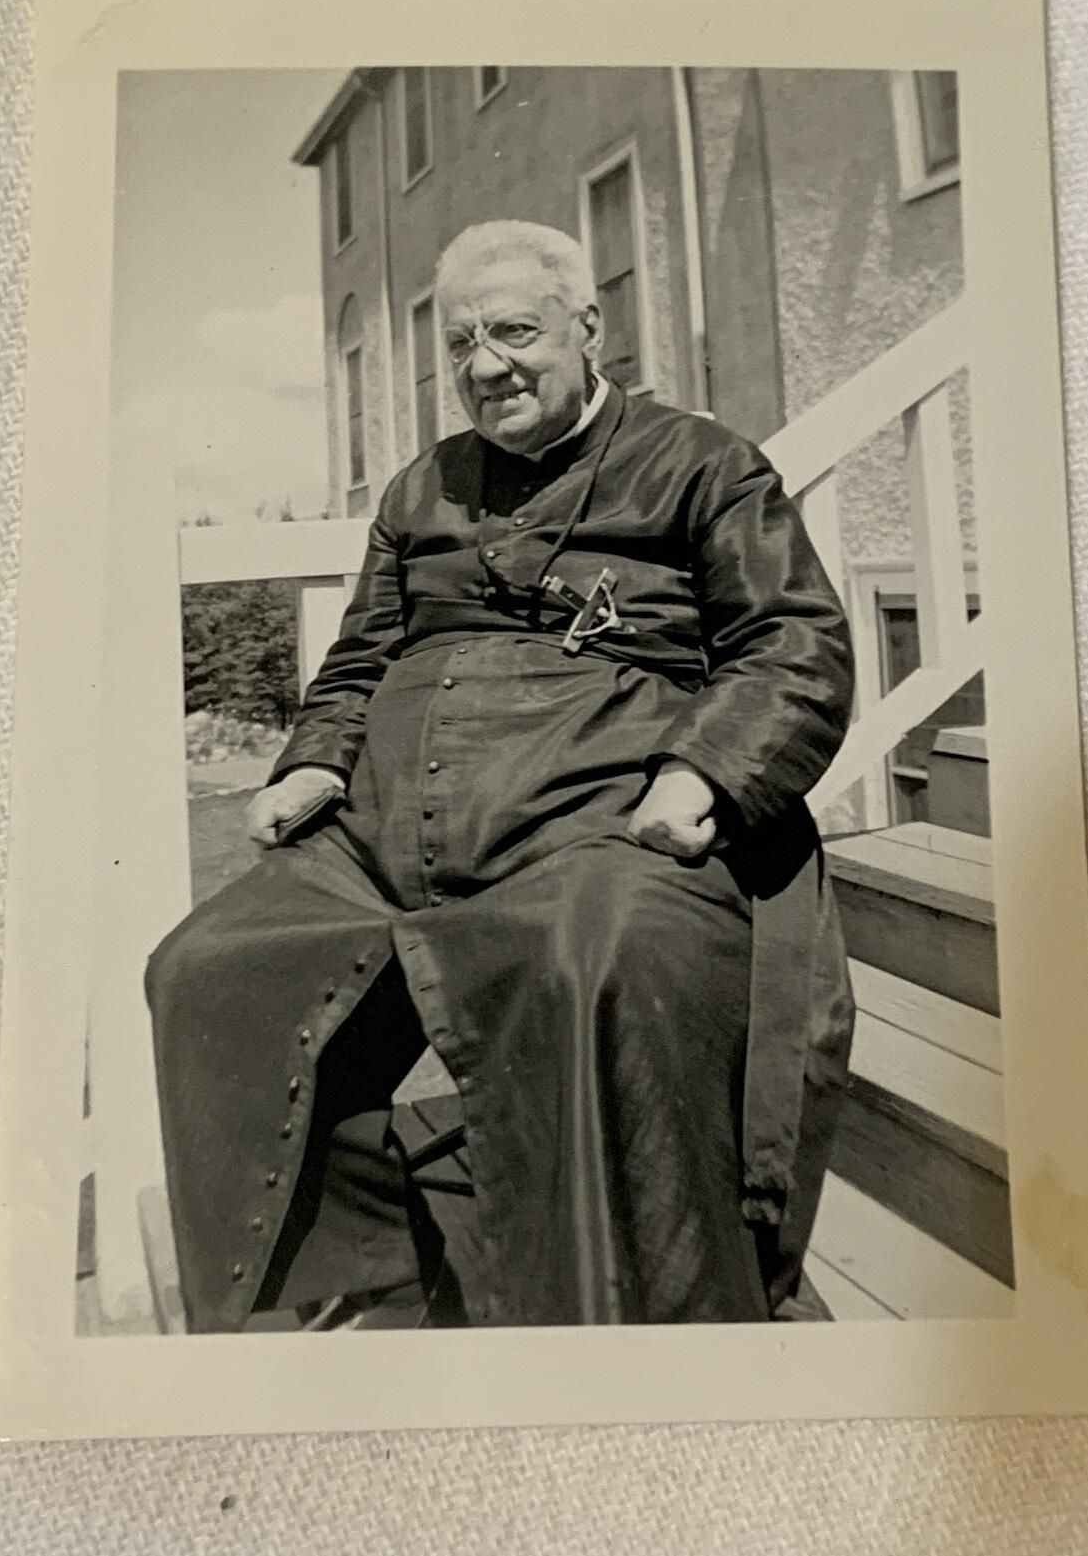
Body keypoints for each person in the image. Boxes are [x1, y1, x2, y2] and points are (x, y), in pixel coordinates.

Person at [147, 219, 857, 1334]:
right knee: (205, 968)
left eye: (515, 332)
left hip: (600, 815)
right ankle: (353, 1273)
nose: (485, 366)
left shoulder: (702, 463)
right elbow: (359, 660)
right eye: (461, 343)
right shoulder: (419, 488)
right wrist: (313, 760)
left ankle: (626, 1306)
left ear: (588, 326)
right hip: (383, 825)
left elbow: (793, 643)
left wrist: (704, 776)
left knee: (600, 953)